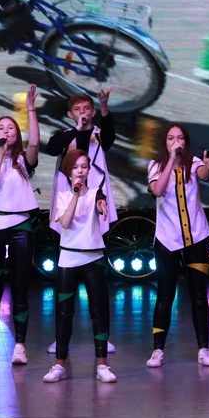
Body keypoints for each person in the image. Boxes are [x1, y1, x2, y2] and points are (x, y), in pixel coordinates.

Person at [44, 89, 118, 355]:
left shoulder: (99, 134)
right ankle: (61, 339)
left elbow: (109, 138)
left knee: (98, 280)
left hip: (95, 202)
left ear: (93, 112)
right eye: (78, 110)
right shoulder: (66, 135)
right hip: (70, 202)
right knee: (66, 278)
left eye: (87, 109)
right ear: (70, 114)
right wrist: (76, 129)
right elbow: (51, 147)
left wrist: (105, 107)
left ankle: (103, 337)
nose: (83, 113)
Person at [146, 123, 209, 369]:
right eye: (170, 138)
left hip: (197, 238)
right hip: (167, 240)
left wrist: (206, 166)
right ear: (164, 143)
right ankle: (158, 350)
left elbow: (203, 174)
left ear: (185, 142)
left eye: (179, 138)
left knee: (199, 295)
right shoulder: (155, 166)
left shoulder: (193, 162)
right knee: (165, 296)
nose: (175, 142)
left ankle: (204, 348)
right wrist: (171, 161)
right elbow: (158, 190)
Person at [0, 83, 40, 365]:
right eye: (1, 128)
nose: (5, 131)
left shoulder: (23, 161)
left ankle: (20, 346)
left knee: (20, 288)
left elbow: (35, 144)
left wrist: (30, 109)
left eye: (11, 128)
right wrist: (0, 156)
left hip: (20, 227)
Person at [43, 150, 115, 383]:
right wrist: (75, 195)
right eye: (76, 167)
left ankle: (102, 365)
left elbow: (100, 204)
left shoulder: (96, 194)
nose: (81, 171)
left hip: (94, 259)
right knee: (64, 314)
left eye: (84, 166)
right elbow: (65, 222)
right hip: (68, 259)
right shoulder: (63, 196)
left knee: (99, 312)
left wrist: (102, 206)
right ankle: (59, 365)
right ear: (68, 171)